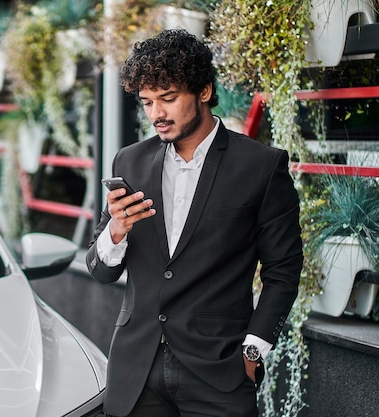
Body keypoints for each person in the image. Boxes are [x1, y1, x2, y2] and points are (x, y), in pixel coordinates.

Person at [85, 29, 303, 417]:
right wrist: (115, 232)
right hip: (137, 371)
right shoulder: (129, 162)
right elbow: (100, 272)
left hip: (219, 371)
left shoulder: (261, 166)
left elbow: (283, 270)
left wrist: (253, 349)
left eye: (168, 99)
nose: (156, 114)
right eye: (148, 102)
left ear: (203, 91)